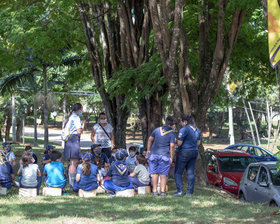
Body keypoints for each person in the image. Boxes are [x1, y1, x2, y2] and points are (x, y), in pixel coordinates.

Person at [147, 116, 176, 196]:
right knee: (163, 174)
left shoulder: (157, 130)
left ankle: (155, 191)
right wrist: (171, 157)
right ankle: (163, 192)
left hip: (153, 154)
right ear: (173, 125)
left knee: (154, 173)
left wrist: (149, 150)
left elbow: (150, 139)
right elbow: (172, 146)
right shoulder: (172, 133)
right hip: (164, 156)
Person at [173, 115, 201, 196]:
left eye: (182, 122)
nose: (181, 123)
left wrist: (175, 140)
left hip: (184, 152)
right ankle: (190, 192)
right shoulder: (197, 130)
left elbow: (179, 143)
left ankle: (179, 191)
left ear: (185, 121)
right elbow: (198, 143)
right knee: (190, 172)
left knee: (178, 172)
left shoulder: (184, 129)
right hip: (194, 152)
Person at [63, 103, 85, 188]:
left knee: (72, 162)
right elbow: (79, 131)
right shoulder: (76, 117)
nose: (82, 111)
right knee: (74, 162)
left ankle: (71, 182)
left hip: (69, 140)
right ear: (79, 109)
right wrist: (83, 124)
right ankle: (72, 183)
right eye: (81, 109)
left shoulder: (70, 117)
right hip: (73, 139)